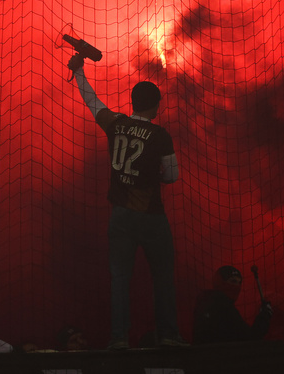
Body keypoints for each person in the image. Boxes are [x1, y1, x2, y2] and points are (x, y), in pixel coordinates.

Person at [67, 53, 186, 350]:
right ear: (155, 105)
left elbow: (92, 102)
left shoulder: (115, 124)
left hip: (120, 216)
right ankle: (169, 336)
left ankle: (119, 338)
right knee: (162, 277)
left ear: (133, 103)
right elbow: (171, 177)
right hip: (151, 216)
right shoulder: (160, 135)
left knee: (119, 279)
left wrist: (79, 72)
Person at [192, 266, 273, 344]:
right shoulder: (224, 307)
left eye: (239, 283)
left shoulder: (204, 302)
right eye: (233, 281)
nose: (237, 286)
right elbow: (250, 337)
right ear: (220, 282)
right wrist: (265, 315)